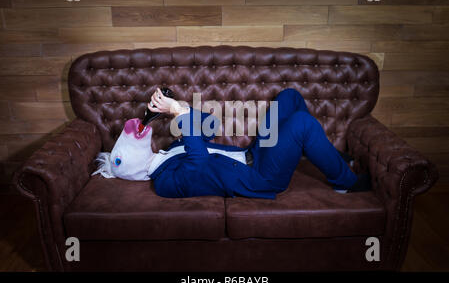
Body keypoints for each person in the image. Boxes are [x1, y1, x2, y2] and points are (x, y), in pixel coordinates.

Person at [92, 88, 371, 199]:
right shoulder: (164, 183)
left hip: (253, 153)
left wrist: (180, 109)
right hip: (260, 177)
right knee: (301, 124)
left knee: (289, 98)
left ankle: (330, 158)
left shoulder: (170, 150)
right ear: (131, 170)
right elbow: (199, 163)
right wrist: (179, 114)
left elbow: (210, 127)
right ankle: (344, 181)